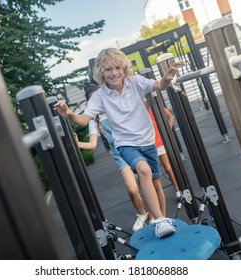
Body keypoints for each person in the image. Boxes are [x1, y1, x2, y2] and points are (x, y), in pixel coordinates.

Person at [54, 47, 183, 238]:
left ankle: (160, 219)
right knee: (143, 170)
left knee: (156, 182)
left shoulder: (136, 82)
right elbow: (84, 119)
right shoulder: (99, 96)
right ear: (101, 72)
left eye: (116, 68)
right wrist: (69, 114)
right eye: (108, 70)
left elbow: (159, 85)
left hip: (147, 141)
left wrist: (167, 77)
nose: (113, 73)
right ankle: (160, 221)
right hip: (125, 144)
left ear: (123, 68)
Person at [76, 83, 149, 232]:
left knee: (146, 184)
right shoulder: (94, 120)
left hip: (134, 147)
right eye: (93, 100)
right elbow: (92, 144)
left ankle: (154, 216)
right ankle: (142, 213)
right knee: (132, 189)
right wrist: (76, 143)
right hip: (120, 154)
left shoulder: (116, 108)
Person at [144, 98, 182, 200]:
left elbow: (171, 117)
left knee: (168, 168)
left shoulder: (156, 107)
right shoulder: (139, 111)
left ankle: (178, 191)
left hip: (159, 143)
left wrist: (166, 132)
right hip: (148, 146)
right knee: (152, 175)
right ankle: (156, 198)